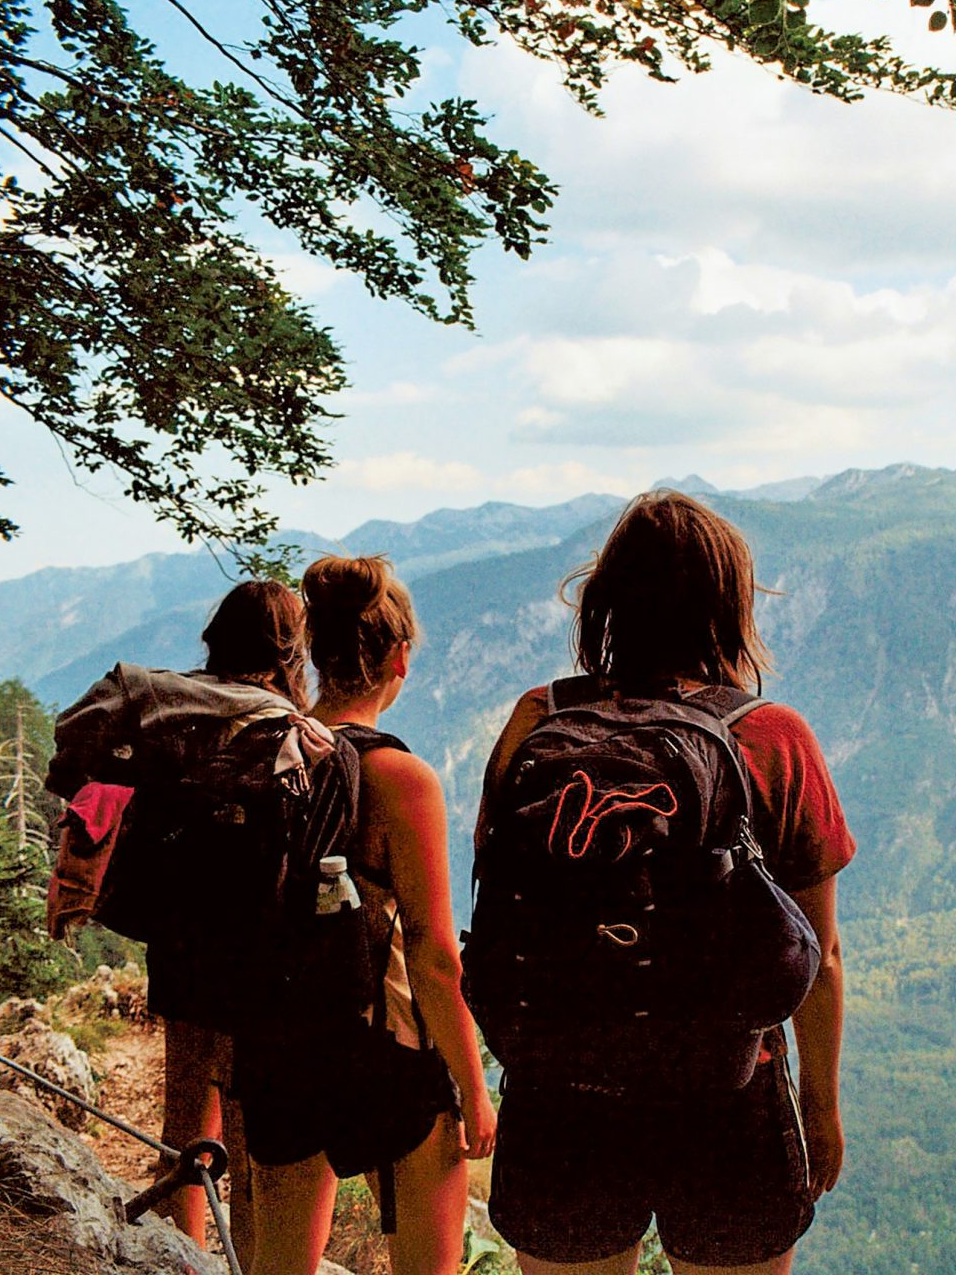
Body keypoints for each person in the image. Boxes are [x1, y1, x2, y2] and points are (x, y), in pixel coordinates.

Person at [482, 490, 854, 1275]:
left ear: (608, 600)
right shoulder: (773, 738)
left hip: (560, 1092)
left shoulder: (535, 720)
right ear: (729, 608)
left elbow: (501, 893)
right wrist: (820, 1110)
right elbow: (817, 956)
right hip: (729, 1094)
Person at [242, 555, 497, 1275]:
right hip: (385, 1051)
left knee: (280, 1263)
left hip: (280, 1042)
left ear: (315, 655)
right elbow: (434, 956)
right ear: (400, 658)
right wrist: (474, 1092)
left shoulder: (269, 753)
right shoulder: (400, 778)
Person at [154, 580, 310, 1254]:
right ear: (289, 649)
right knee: (248, 1140)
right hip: (257, 957)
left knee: (183, 1115)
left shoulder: (177, 712)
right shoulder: (288, 727)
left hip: (181, 939)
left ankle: (175, 1258)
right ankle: (248, 1259)